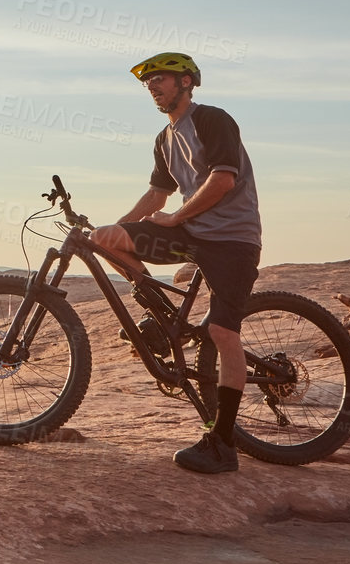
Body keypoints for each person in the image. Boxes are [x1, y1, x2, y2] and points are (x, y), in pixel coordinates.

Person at [93, 52, 262, 475]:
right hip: (192, 235)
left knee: (224, 331)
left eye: (160, 79)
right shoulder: (165, 139)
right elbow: (156, 197)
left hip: (232, 240)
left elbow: (222, 179)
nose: (152, 86)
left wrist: (175, 218)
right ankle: (165, 320)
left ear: (186, 82)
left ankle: (222, 445)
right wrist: (116, 227)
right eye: (148, 83)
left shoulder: (212, 119)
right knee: (104, 240)